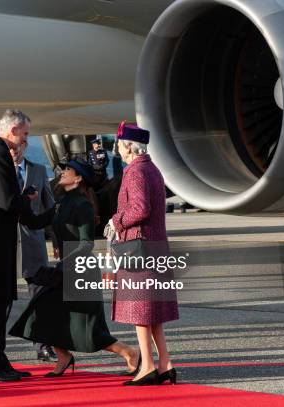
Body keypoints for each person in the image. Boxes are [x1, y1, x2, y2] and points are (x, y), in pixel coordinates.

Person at [9, 158, 140, 377]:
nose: (62, 172)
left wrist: (65, 264)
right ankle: (64, 356)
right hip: (66, 270)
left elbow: (86, 242)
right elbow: (35, 222)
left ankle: (130, 352)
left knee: (88, 329)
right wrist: (24, 202)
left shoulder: (83, 205)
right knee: (40, 315)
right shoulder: (61, 203)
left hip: (80, 270)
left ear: (78, 178)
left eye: (68, 170)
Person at [0, 109, 52, 382]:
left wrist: (32, 210)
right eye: (25, 133)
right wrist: (28, 199)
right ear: (13, 130)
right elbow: (7, 201)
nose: (25, 139)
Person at [109, 122, 179, 386]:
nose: (117, 149)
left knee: (140, 312)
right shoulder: (152, 169)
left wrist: (116, 221)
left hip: (139, 249)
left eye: (119, 145)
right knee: (154, 315)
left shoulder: (135, 172)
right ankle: (165, 364)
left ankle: (147, 366)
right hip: (154, 248)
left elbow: (140, 209)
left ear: (129, 146)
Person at [10, 140, 57, 362]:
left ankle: (43, 344)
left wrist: (55, 239)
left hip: (33, 243)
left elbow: (49, 207)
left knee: (40, 296)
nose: (14, 151)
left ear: (25, 146)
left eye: (18, 146)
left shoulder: (37, 171)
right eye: (10, 147)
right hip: (6, 243)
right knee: (2, 300)